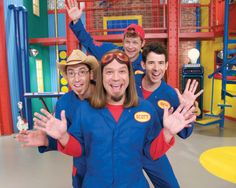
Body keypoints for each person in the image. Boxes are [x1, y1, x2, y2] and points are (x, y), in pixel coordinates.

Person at [33, 50, 196, 188]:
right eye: (109, 72)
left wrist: (167, 133)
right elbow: (79, 150)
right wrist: (63, 137)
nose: (116, 78)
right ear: (101, 77)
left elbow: (150, 153)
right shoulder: (85, 110)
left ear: (129, 76)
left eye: (122, 71)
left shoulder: (146, 109)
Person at [16, 49, 99, 188]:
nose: (76, 79)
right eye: (71, 73)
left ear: (90, 74)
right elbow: (62, 138)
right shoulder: (64, 103)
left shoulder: (106, 97)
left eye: (81, 72)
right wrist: (46, 140)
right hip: (82, 166)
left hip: (111, 165)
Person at [135, 42, 204, 188]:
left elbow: (185, 133)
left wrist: (187, 107)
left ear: (166, 65)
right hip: (128, 149)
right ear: (142, 64)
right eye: (151, 63)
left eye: (161, 63)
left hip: (154, 150)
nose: (156, 68)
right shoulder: (130, 84)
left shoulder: (171, 95)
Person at [65, 0, 146, 74]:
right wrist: (76, 21)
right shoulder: (111, 53)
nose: (130, 46)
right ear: (123, 41)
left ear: (142, 44)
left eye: (135, 42)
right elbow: (89, 43)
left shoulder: (148, 61)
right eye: (127, 42)